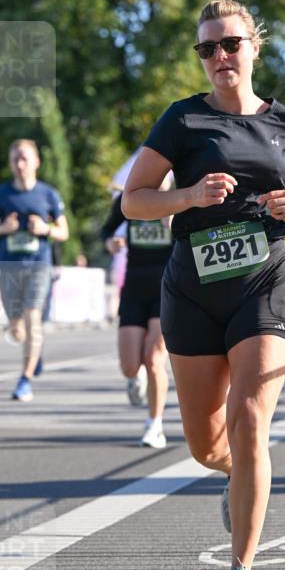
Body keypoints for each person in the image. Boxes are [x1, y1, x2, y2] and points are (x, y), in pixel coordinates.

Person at [122, 0, 285, 570]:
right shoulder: (182, 119)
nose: (219, 56)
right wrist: (188, 195)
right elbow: (134, 200)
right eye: (207, 48)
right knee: (205, 445)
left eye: (230, 44)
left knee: (249, 422)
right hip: (192, 289)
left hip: (264, 283)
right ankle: (237, 474)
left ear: (253, 47)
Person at [0, 139, 68, 401]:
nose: (20, 164)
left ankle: (25, 380)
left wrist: (45, 229)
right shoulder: (1, 195)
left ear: (36, 162)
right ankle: (34, 351)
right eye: (15, 159)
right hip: (8, 267)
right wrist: (3, 228)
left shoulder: (48, 194)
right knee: (17, 329)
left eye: (24, 159)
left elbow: (63, 231)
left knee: (33, 317)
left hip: (39, 265)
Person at [101, 181, 173, 448]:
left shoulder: (182, 195)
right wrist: (111, 243)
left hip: (167, 286)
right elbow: (107, 229)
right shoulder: (130, 196)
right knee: (130, 366)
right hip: (134, 286)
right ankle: (136, 377)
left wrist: (174, 224)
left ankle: (155, 425)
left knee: (154, 360)